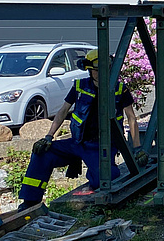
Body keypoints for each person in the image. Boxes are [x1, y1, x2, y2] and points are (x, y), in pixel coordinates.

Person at [18, 49, 146, 210]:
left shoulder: (120, 89)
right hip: (77, 143)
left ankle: (90, 172)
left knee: (104, 180)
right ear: (89, 69)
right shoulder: (80, 86)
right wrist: (49, 136)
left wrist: (137, 148)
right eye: (96, 70)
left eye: (103, 70)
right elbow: (63, 111)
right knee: (42, 152)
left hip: (101, 147)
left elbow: (132, 118)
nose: (100, 74)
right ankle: (30, 201)